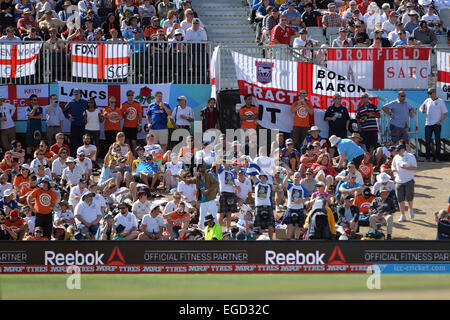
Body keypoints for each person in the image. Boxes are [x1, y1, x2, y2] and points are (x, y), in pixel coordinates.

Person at [178, 163, 218, 230]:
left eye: (204, 167)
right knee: (201, 217)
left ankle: (216, 229)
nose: (203, 169)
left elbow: (216, 184)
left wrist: (208, 190)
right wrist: (179, 177)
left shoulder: (209, 176)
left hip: (208, 200)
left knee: (213, 215)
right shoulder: (196, 179)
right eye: (201, 167)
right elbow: (187, 183)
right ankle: (200, 229)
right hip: (198, 201)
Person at [419, 88, 447, 162]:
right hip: (428, 124)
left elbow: (445, 113)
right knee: (427, 141)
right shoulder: (427, 100)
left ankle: (437, 158)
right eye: (429, 93)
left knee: (437, 141)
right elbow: (421, 108)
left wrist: (440, 121)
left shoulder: (441, 101)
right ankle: (427, 158)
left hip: (437, 124)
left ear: (435, 93)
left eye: (431, 93)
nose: (430, 95)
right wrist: (422, 110)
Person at [392, 144, 417, 222]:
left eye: (398, 151)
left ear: (403, 150)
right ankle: (403, 215)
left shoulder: (411, 156)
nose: (397, 152)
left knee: (409, 197)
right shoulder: (396, 157)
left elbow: (415, 167)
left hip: (409, 180)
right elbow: (393, 166)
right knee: (400, 199)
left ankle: (410, 209)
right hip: (398, 180)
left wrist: (406, 168)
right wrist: (394, 169)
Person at [63, 88, 88, 156]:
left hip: (82, 124)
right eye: (75, 94)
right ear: (73, 95)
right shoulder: (71, 102)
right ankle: (74, 155)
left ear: (80, 94)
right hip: (74, 124)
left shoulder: (84, 102)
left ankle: (81, 155)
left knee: (81, 141)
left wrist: (86, 118)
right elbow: (64, 111)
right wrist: (68, 117)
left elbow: (91, 110)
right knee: (73, 141)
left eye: (77, 94)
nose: (76, 95)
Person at [26, 94, 43, 159]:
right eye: (34, 100)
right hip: (30, 129)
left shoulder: (40, 108)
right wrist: (34, 109)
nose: (36, 101)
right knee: (29, 145)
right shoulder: (28, 108)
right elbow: (29, 115)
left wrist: (32, 117)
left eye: (37, 100)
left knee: (37, 145)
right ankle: (28, 159)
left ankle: (36, 158)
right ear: (31, 101)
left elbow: (40, 116)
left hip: (38, 129)